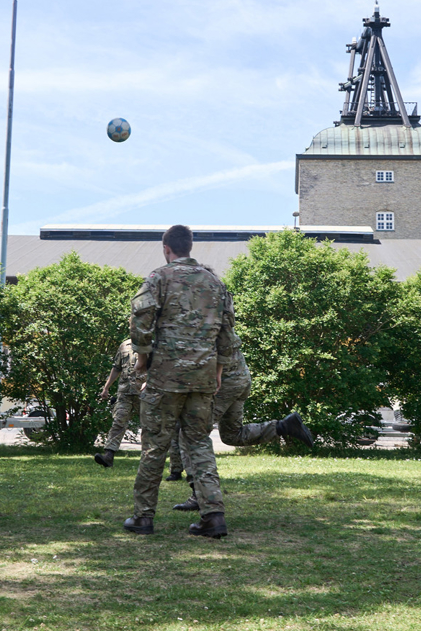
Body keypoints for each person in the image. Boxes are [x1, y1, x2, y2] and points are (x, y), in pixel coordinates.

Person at [123, 225, 236, 538]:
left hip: (165, 378)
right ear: (190, 246)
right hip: (202, 378)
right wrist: (218, 370)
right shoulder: (215, 282)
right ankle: (213, 517)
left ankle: (143, 518)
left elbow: (140, 323)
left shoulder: (157, 278)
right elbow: (227, 333)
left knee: (154, 446)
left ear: (166, 247)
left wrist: (143, 362)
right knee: (200, 445)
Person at [171, 334, 314, 512]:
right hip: (239, 379)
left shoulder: (199, 319)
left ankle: (200, 496)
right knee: (232, 434)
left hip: (223, 384)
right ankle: (284, 426)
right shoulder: (215, 314)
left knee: (191, 435)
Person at [94, 337, 186, 480]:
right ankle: (108, 455)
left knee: (153, 427)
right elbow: (116, 368)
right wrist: (106, 388)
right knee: (118, 421)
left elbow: (160, 367)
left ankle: (170, 467)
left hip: (147, 393)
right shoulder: (124, 345)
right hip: (125, 392)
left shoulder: (154, 344)